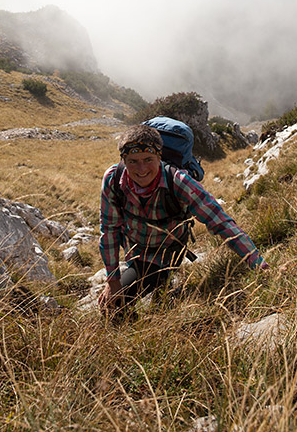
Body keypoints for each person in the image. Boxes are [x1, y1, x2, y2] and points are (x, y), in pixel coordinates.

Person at [98, 123, 268, 315]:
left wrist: (257, 263)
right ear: (123, 160)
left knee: (112, 307)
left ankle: (163, 288)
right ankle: (158, 294)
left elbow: (220, 221)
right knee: (113, 303)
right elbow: (109, 229)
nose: (142, 168)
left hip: (166, 254)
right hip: (134, 249)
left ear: (159, 157)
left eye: (148, 159)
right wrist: (112, 281)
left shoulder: (179, 181)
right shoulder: (113, 178)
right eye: (133, 161)